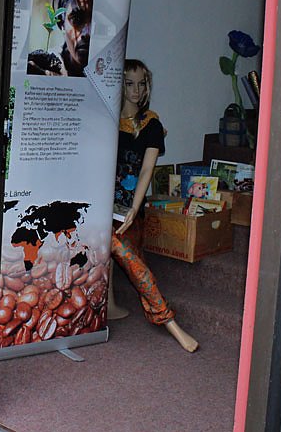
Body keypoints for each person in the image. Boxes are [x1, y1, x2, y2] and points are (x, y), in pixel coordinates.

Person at [110, 59, 198, 352]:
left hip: (129, 210)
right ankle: (166, 320)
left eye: (141, 84)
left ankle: (167, 320)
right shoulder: (107, 119)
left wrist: (134, 209)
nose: (136, 91)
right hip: (99, 207)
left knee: (134, 262)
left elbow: (147, 170)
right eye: (129, 84)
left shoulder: (151, 125)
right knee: (117, 249)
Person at [27, 0, 93, 77]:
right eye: (77, 19)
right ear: (62, 24)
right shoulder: (43, 66)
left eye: (95, 21)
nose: (87, 33)